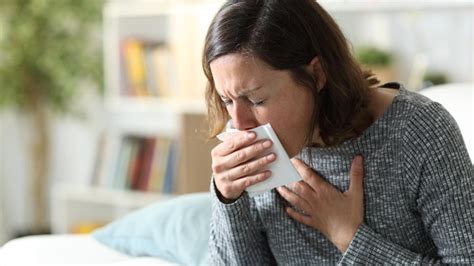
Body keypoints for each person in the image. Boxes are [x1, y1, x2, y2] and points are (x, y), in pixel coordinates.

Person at [202, 0, 474, 264]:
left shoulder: (418, 130)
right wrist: (228, 200)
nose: (238, 123)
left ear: (317, 74)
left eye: (256, 100)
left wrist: (350, 239)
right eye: (227, 100)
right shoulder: (246, 137)